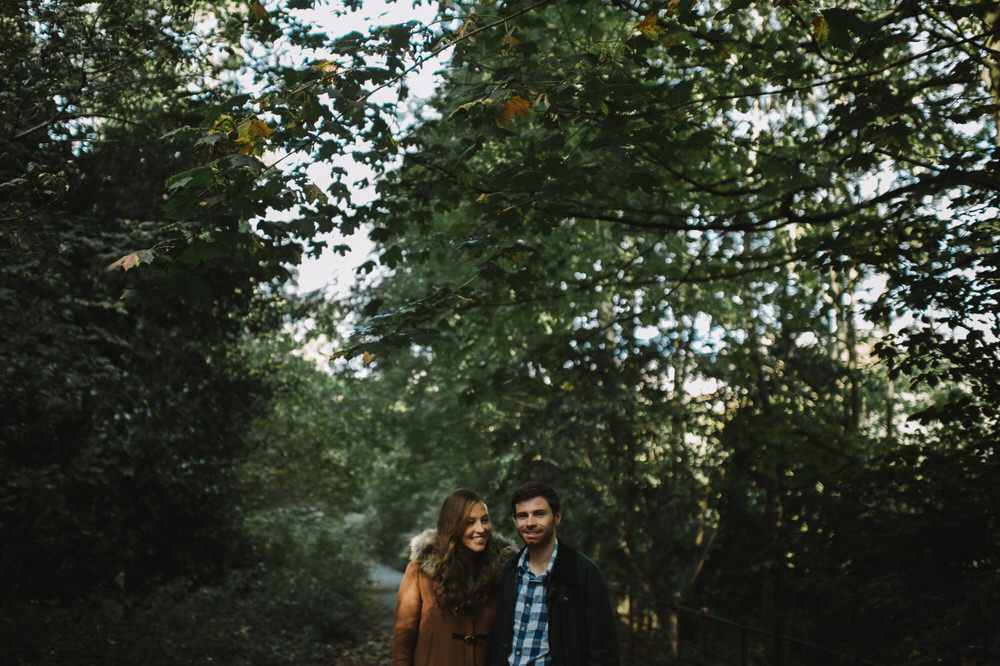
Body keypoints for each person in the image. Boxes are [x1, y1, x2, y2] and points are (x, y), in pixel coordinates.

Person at [487, 482, 620, 666]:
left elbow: (604, 651)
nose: (530, 523)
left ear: (557, 516)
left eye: (539, 514)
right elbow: (499, 640)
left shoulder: (582, 572)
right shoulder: (510, 571)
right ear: (514, 520)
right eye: (523, 516)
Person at [393, 488, 514, 666]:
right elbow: (403, 636)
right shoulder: (419, 572)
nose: (480, 529)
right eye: (470, 522)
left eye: (485, 520)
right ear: (452, 526)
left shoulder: (502, 572)